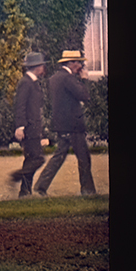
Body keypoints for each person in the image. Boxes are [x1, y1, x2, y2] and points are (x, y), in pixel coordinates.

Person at [34, 50, 96, 197]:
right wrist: (84, 79)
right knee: (83, 157)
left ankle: (40, 186)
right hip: (73, 125)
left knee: (59, 156)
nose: (81, 65)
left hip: (62, 124)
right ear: (71, 63)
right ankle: (88, 191)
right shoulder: (68, 79)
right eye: (78, 62)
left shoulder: (55, 78)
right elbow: (85, 95)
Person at [9, 52, 47, 197]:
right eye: (41, 65)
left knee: (31, 159)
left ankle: (25, 191)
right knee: (38, 159)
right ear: (35, 67)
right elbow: (20, 105)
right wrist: (20, 126)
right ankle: (17, 177)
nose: (43, 68)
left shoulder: (34, 83)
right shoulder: (25, 83)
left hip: (34, 128)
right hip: (29, 129)